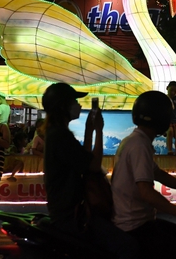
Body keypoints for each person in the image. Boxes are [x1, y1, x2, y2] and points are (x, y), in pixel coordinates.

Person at [43, 82, 139, 259]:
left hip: (68, 212)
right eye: (74, 102)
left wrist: (89, 129)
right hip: (73, 216)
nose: (78, 105)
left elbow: (82, 159)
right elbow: (94, 165)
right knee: (128, 247)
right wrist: (99, 130)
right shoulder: (60, 136)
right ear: (64, 106)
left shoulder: (56, 133)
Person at [111, 90, 176, 259]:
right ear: (160, 118)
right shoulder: (139, 145)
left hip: (139, 220)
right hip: (134, 226)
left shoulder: (135, 140)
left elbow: (158, 174)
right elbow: (146, 193)